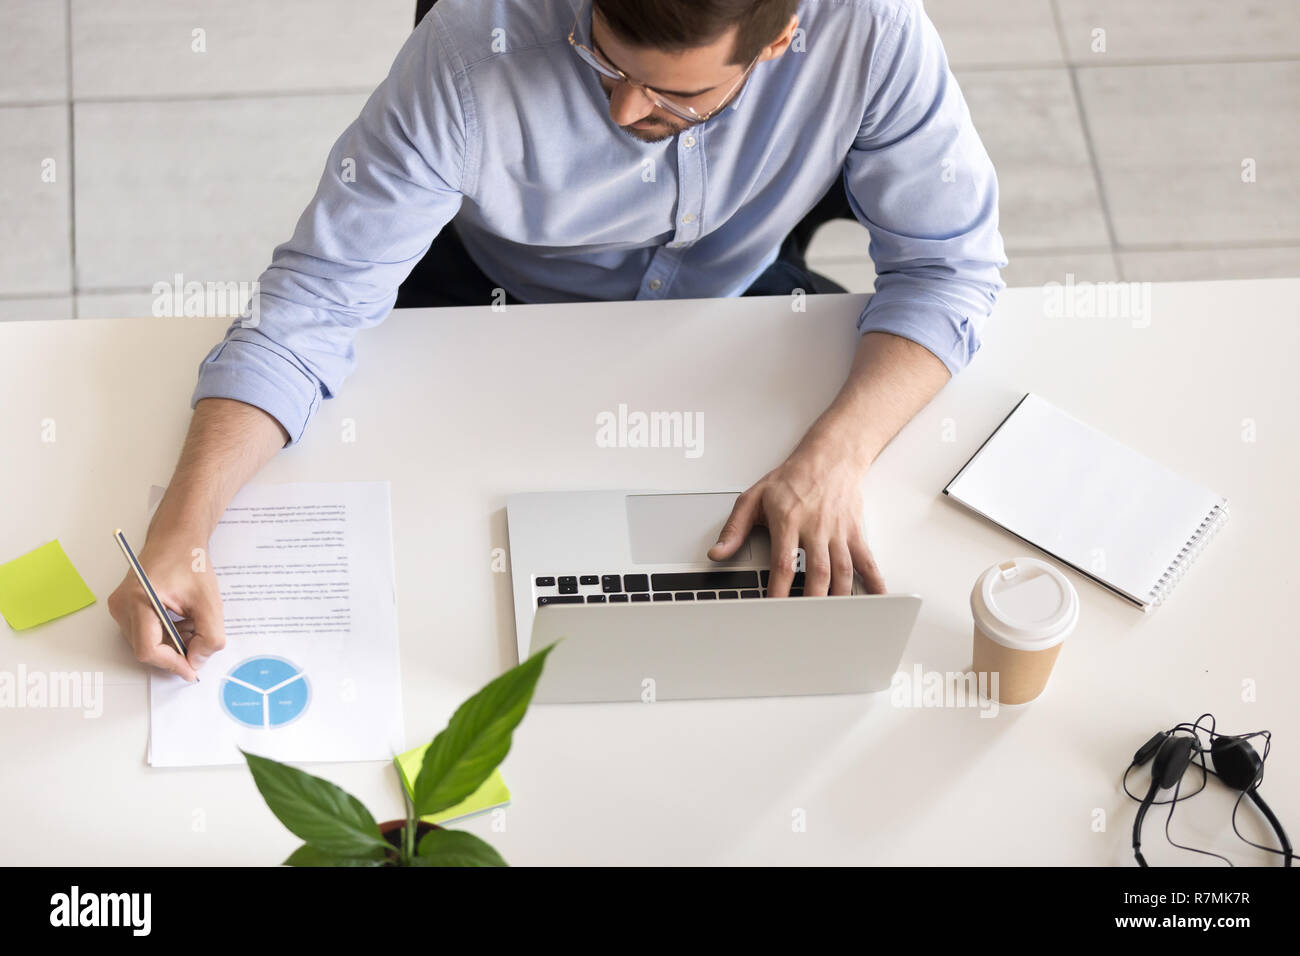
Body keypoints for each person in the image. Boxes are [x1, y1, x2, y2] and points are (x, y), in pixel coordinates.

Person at [109, 0, 1006, 681]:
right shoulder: (467, 50)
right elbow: (312, 301)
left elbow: (950, 271)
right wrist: (185, 525)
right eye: (602, 59)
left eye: (674, 93)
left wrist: (837, 456)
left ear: (779, 42)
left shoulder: (872, 30)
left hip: (732, 319)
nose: (622, 112)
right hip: (485, 302)